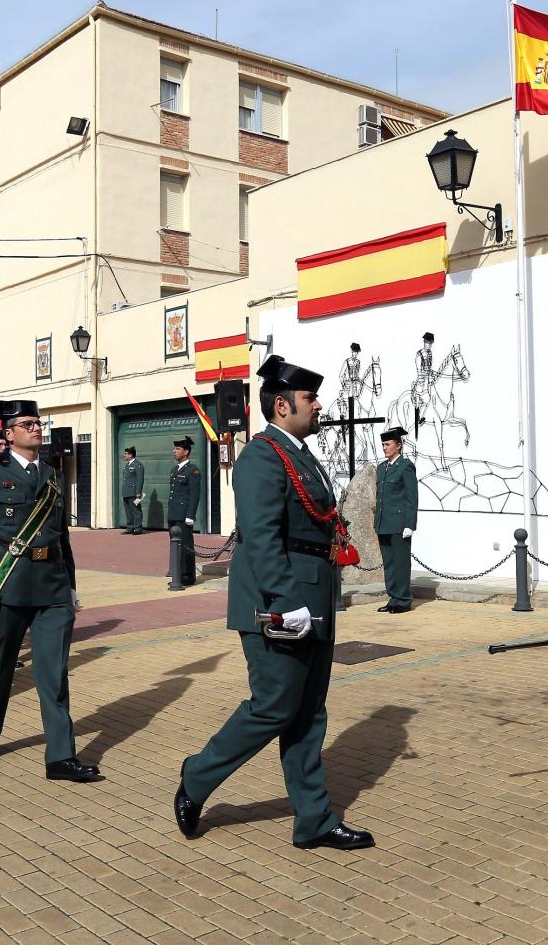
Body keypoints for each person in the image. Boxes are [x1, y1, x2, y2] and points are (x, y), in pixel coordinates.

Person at [175, 355, 374, 851]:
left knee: (308, 713)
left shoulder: (301, 454)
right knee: (274, 708)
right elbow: (261, 537)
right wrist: (287, 600)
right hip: (277, 601)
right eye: (310, 398)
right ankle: (197, 777)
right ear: (283, 405)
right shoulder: (262, 456)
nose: (319, 405)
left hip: (314, 595)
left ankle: (314, 819)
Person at [0, 401, 99, 781]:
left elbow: (61, 537)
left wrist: (70, 586)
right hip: (9, 583)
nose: (37, 428)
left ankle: (60, 757)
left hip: (51, 586)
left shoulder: (51, 474)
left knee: (53, 674)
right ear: (9, 433)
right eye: (27, 423)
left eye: (38, 423)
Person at [374, 426, 417, 613]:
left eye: (388, 444)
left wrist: (410, 524)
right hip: (383, 522)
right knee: (389, 563)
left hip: (399, 524)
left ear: (398, 446)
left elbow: (411, 497)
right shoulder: (382, 468)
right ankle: (393, 598)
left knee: (400, 562)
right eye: (383, 444)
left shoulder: (405, 466)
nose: (384, 447)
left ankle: (403, 600)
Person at [167, 436, 202, 589]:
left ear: (186, 451)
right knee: (175, 547)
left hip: (183, 515)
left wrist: (190, 515)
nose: (175, 451)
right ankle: (178, 574)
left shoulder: (192, 470)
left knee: (186, 546)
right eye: (175, 449)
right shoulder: (175, 470)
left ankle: (188, 576)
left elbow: (195, 495)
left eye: (178, 449)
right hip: (174, 514)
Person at [120, 446, 145, 534]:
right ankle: (130, 527)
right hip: (126, 492)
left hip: (134, 493)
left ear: (131, 455)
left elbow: (140, 479)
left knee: (136, 511)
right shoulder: (127, 465)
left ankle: (137, 528)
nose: (125, 455)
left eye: (126, 454)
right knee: (128, 511)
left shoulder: (138, 465)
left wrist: (138, 492)